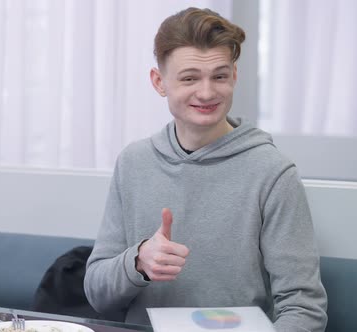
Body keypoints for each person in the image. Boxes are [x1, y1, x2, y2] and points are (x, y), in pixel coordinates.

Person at [83, 7, 328, 332]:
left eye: (220, 76)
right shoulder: (133, 162)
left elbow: (304, 309)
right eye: (189, 78)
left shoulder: (272, 172)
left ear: (234, 77)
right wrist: (138, 262)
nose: (207, 92)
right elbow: (97, 294)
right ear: (159, 82)